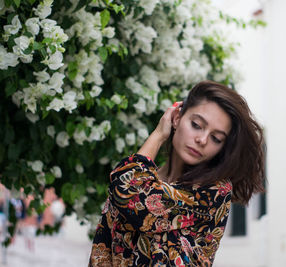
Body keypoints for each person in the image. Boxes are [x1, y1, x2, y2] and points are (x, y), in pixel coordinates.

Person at [89, 80, 266, 266]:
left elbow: (130, 194)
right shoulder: (141, 178)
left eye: (216, 138)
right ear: (176, 118)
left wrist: (158, 135)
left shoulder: (214, 191)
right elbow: (102, 249)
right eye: (196, 125)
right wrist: (159, 132)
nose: (202, 139)